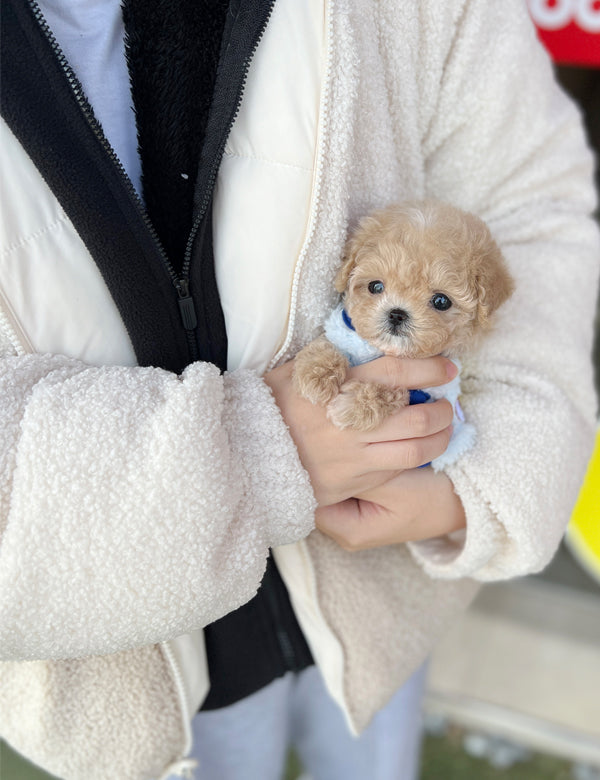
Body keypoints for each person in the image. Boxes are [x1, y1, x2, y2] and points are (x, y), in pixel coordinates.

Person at [0, 0, 598, 778]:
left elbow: (531, 200)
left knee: (373, 760)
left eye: (439, 302)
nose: (397, 309)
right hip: (128, 654)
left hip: (384, 590)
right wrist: (256, 451)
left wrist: (481, 478)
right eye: (378, 284)